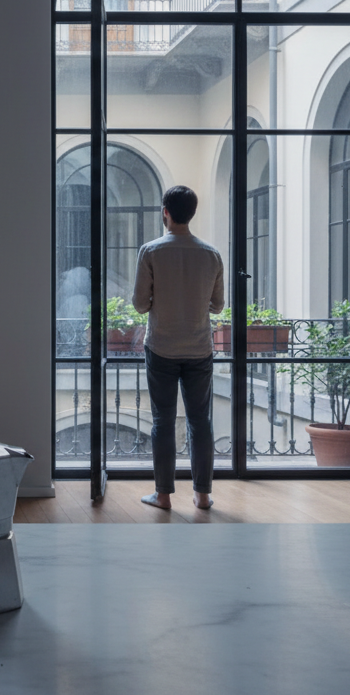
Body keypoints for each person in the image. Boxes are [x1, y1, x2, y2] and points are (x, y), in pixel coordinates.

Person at [131, 185, 225, 510]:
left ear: (165, 212)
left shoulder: (151, 251)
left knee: (162, 421)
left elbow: (140, 305)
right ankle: (202, 495)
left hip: (161, 347)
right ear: (192, 213)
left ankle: (163, 495)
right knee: (201, 421)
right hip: (200, 348)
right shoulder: (211, 254)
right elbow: (218, 306)